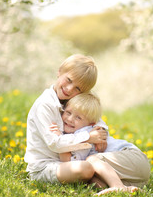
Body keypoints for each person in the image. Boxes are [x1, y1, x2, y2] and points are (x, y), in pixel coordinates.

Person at [24, 54, 108, 185]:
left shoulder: (72, 100)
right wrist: (89, 137)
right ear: (60, 71)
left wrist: (101, 130)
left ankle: (99, 181)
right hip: (45, 167)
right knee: (86, 168)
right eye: (69, 80)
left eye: (78, 88)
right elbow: (55, 144)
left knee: (97, 162)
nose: (69, 89)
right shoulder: (45, 105)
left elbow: (95, 118)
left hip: (69, 161)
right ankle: (93, 179)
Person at [49, 92, 150, 195]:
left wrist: (59, 139)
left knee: (92, 160)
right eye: (68, 113)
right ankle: (125, 189)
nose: (70, 119)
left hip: (134, 158)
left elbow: (70, 163)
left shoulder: (85, 133)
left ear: (91, 124)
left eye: (78, 118)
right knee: (91, 180)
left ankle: (117, 186)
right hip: (133, 173)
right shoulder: (78, 132)